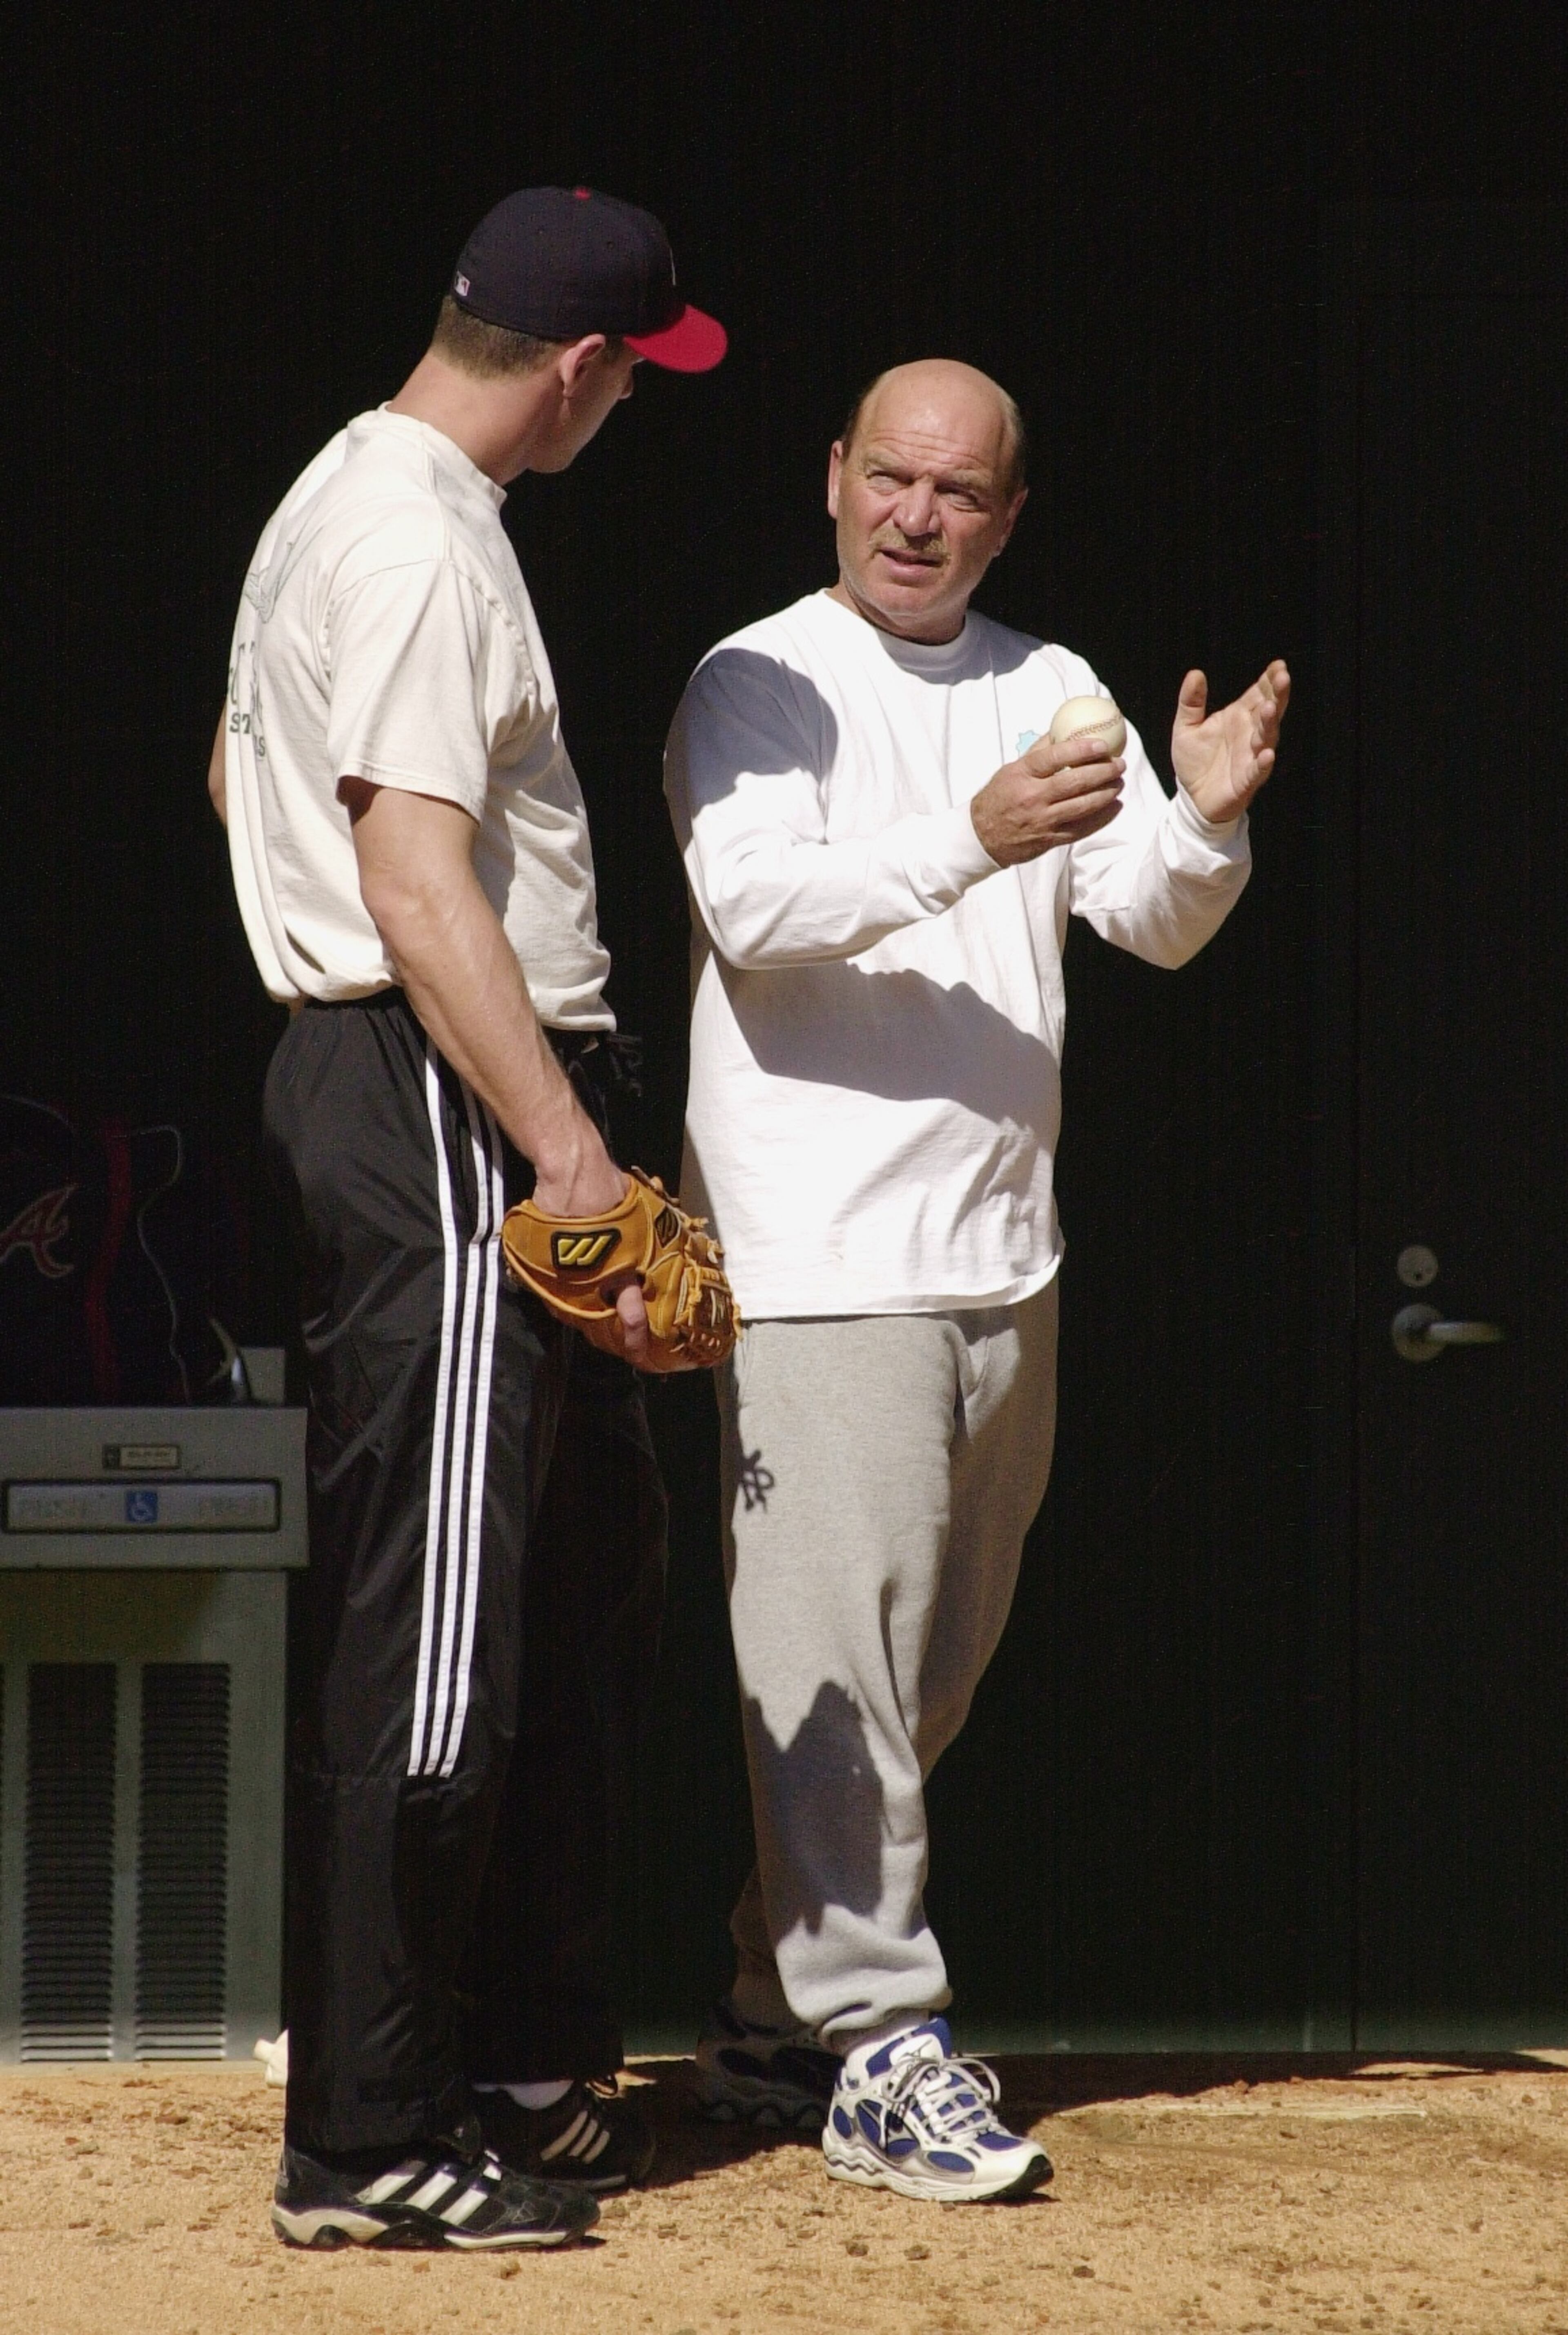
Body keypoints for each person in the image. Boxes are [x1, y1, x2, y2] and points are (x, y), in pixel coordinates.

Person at [665, 357, 1288, 2203]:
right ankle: (877, 2037)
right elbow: (754, 909)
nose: (919, 517)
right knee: (839, 1662)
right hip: (814, 1249)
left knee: (921, 1676)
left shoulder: (1048, 684)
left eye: (961, 492)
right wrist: (974, 835)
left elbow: (1150, 919)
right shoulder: (756, 674)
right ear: (834, 476)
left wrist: (1210, 817)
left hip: (1004, 1253)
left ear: (1009, 514)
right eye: (893, 478)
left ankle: (779, 2020)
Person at [209, 187, 726, 2252]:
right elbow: (412, 876)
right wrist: (567, 1155)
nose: (631, 407)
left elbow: (232, 778)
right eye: (638, 378)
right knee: (429, 1638)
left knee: (584, 1567)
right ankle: (366, 2134)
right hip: (442, 1093)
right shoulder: (419, 534)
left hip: (461, 1083)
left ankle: (518, 2058)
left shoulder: (348, 495)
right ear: (586, 367)